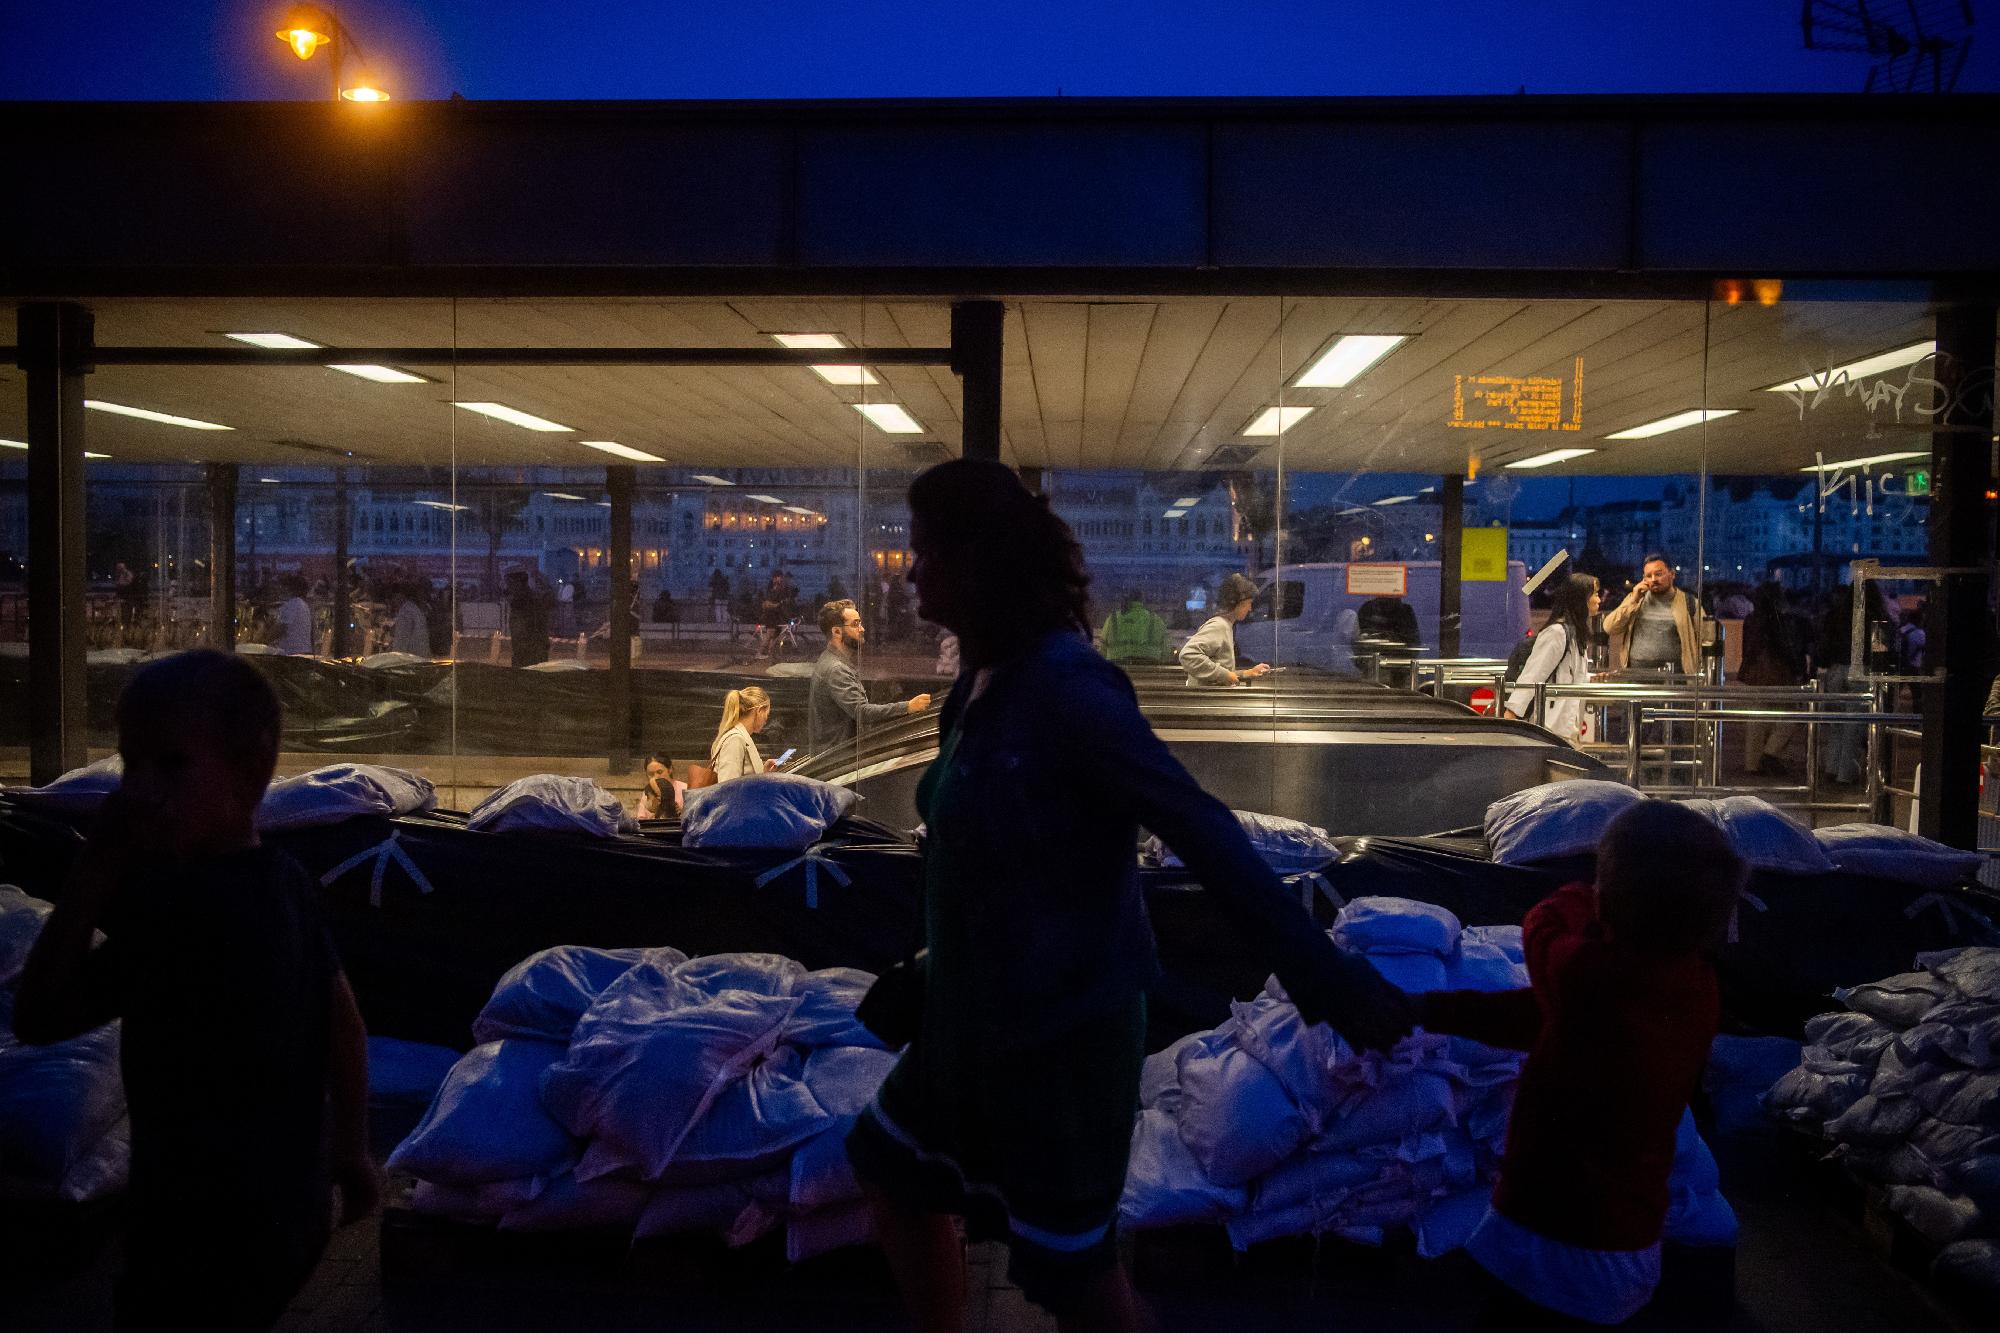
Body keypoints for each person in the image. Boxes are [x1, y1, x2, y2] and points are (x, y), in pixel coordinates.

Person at [845, 460, 1413, 1333]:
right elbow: (992, 857)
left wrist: (1324, 979)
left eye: (923, 552)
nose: (909, 569)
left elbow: (1200, 827)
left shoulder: (1068, 686)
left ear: (977, 560)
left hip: (1061, 1036)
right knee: (891, 1169)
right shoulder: (984, 680)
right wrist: (934, 967)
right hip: (975, 1019)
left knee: (1073, 1281)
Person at [13, 651, 377, 1329]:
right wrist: (353, 1150)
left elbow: (37, 1016)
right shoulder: (287, 882)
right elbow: (344, 1022)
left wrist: (90, 874)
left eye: (171, 764)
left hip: (191, 1230)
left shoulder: (175, 910)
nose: (139, 790)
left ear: (250, 769)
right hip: (288, 1213)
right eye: (130, 764)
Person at [1417, 801, 1746, 1326]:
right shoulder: (1693, 986)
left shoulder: (1590, 978)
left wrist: (1578, 894)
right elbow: (1548, 1018)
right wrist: (1429, 1012)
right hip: (1618, 1240)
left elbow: (1542, 928)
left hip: (1561, 1239)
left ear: (1612, 896)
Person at [808, 599, 932, 754]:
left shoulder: (832, 660)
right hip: (837, 759)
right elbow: (862, 712)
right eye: (855, 624)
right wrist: (908, 707)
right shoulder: (836, 669)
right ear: (837, 632)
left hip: (838, 754)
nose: (862, 628)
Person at [1504, 574, 1601, 742]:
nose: (1599, 600)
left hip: (1566, 729)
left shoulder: (1575, 635)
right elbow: (1533, 675)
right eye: (1595, 594)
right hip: (1549, 729)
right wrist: (1512, 714)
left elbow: (1571, 677)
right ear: (1580, 598)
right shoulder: (1557, 633)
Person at [1737, 581, 1807, 777]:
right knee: (1792, 715)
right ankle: (1771, 752)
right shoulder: (1779, 619)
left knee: (1756, 719)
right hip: (1776, 672)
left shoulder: (1751, 619)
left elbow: (1747, 647)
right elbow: (1784, 646)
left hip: (1753, 672)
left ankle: (1753, 764)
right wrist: (1796, 668)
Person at [1603, 554, 1706, 675]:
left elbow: (1704, 638)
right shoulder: (1636, 600)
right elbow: (1609, 627)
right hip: (1637, 672)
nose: (1653, 579)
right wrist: (1633, 601)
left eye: (1658, 574)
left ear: (1672, 574)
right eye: (1648, 576)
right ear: (1643, 579)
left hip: (1676, 674)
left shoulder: (1690, 603)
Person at [1179, 572, 1270, 686]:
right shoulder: (1219, 626)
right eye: (1248, 603)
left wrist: (1246, 673)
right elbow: (1188, 655)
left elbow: (1221, 672)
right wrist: (1224, 675)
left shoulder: (1225, 626)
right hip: (1209, 702)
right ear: (1237, 603)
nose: (1250, 608)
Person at [711, 686, 779, 783]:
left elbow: (744, 780)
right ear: (759, 711)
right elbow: (728, 788)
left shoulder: (742, 737)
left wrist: (764, 773)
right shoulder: (735, 739)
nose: (766, 720)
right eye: (766, 715)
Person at [1094, 590, 1169, 665]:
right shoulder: (1155, 619)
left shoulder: (1113, 619)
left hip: (1117, 666)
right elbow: (1166, 649)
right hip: (1148, 666)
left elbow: (1102, 647)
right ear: (1142, 600)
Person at [507, 569, 551, 668]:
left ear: (517, 583)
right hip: (530, 651)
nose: (509, 587)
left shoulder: (523, 600)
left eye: (510, 583)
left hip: (528, 652)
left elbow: (523, 629)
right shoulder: (529, 598)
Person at [272, 574, 314, 656]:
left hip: (292, 653)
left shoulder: (292, 604)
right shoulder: (304, 605)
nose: (281, 589)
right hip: (305, 651)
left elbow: (281, 628)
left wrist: (263, 640)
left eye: (283, 586)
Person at [635, 751, 686, 819]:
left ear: (670, 769)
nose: (656, 777)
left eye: (659, 772)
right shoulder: (648, 793)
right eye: (651, 774)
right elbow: (641, 819)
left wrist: (681, 814)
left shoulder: (685, 789)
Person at [388, 580, 431, 657]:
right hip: (421, 656)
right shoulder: (413, 608)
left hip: (413, 659)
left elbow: (400, 642)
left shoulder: (405, 612)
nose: (393, 602)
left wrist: (393, 658)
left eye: (393, 598)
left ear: (399, 596)